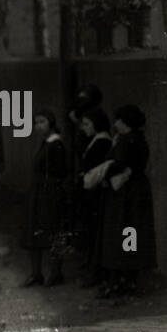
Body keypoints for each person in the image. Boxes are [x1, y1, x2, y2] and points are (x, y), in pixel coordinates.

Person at [94, 104, 156, 299]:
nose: (115, 123)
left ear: (126, 122)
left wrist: (104, 174)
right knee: (132, 233)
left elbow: (117, 163)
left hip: (124, 194)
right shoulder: (139, 140)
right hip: (136, 191)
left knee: (120, 231)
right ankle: (130, 278)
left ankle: (119, 279)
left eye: (118, 120)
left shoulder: (125, 141)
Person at [19, 110, 70, 287]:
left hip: (50, 193)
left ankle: (56, 273)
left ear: (51, 123)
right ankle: (36, 273)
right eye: (36, 123)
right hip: (38, 193)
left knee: (53, 231)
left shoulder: (56, 145)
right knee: (34, 230)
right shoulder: (45, 143)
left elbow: (62, 171)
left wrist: (49, 187)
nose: (38, 126)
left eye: (42, 122)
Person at [74, 108, 113, 287]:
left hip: (96, 192)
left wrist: (85, 175)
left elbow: (97, 169)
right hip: (91, 191)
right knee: (90, 229)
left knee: (95, 231)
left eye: (87, 124)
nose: (84, 128)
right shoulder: (95, 140)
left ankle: (96, 273)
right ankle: (92, 268)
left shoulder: (103, 141)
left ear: (97, 124)